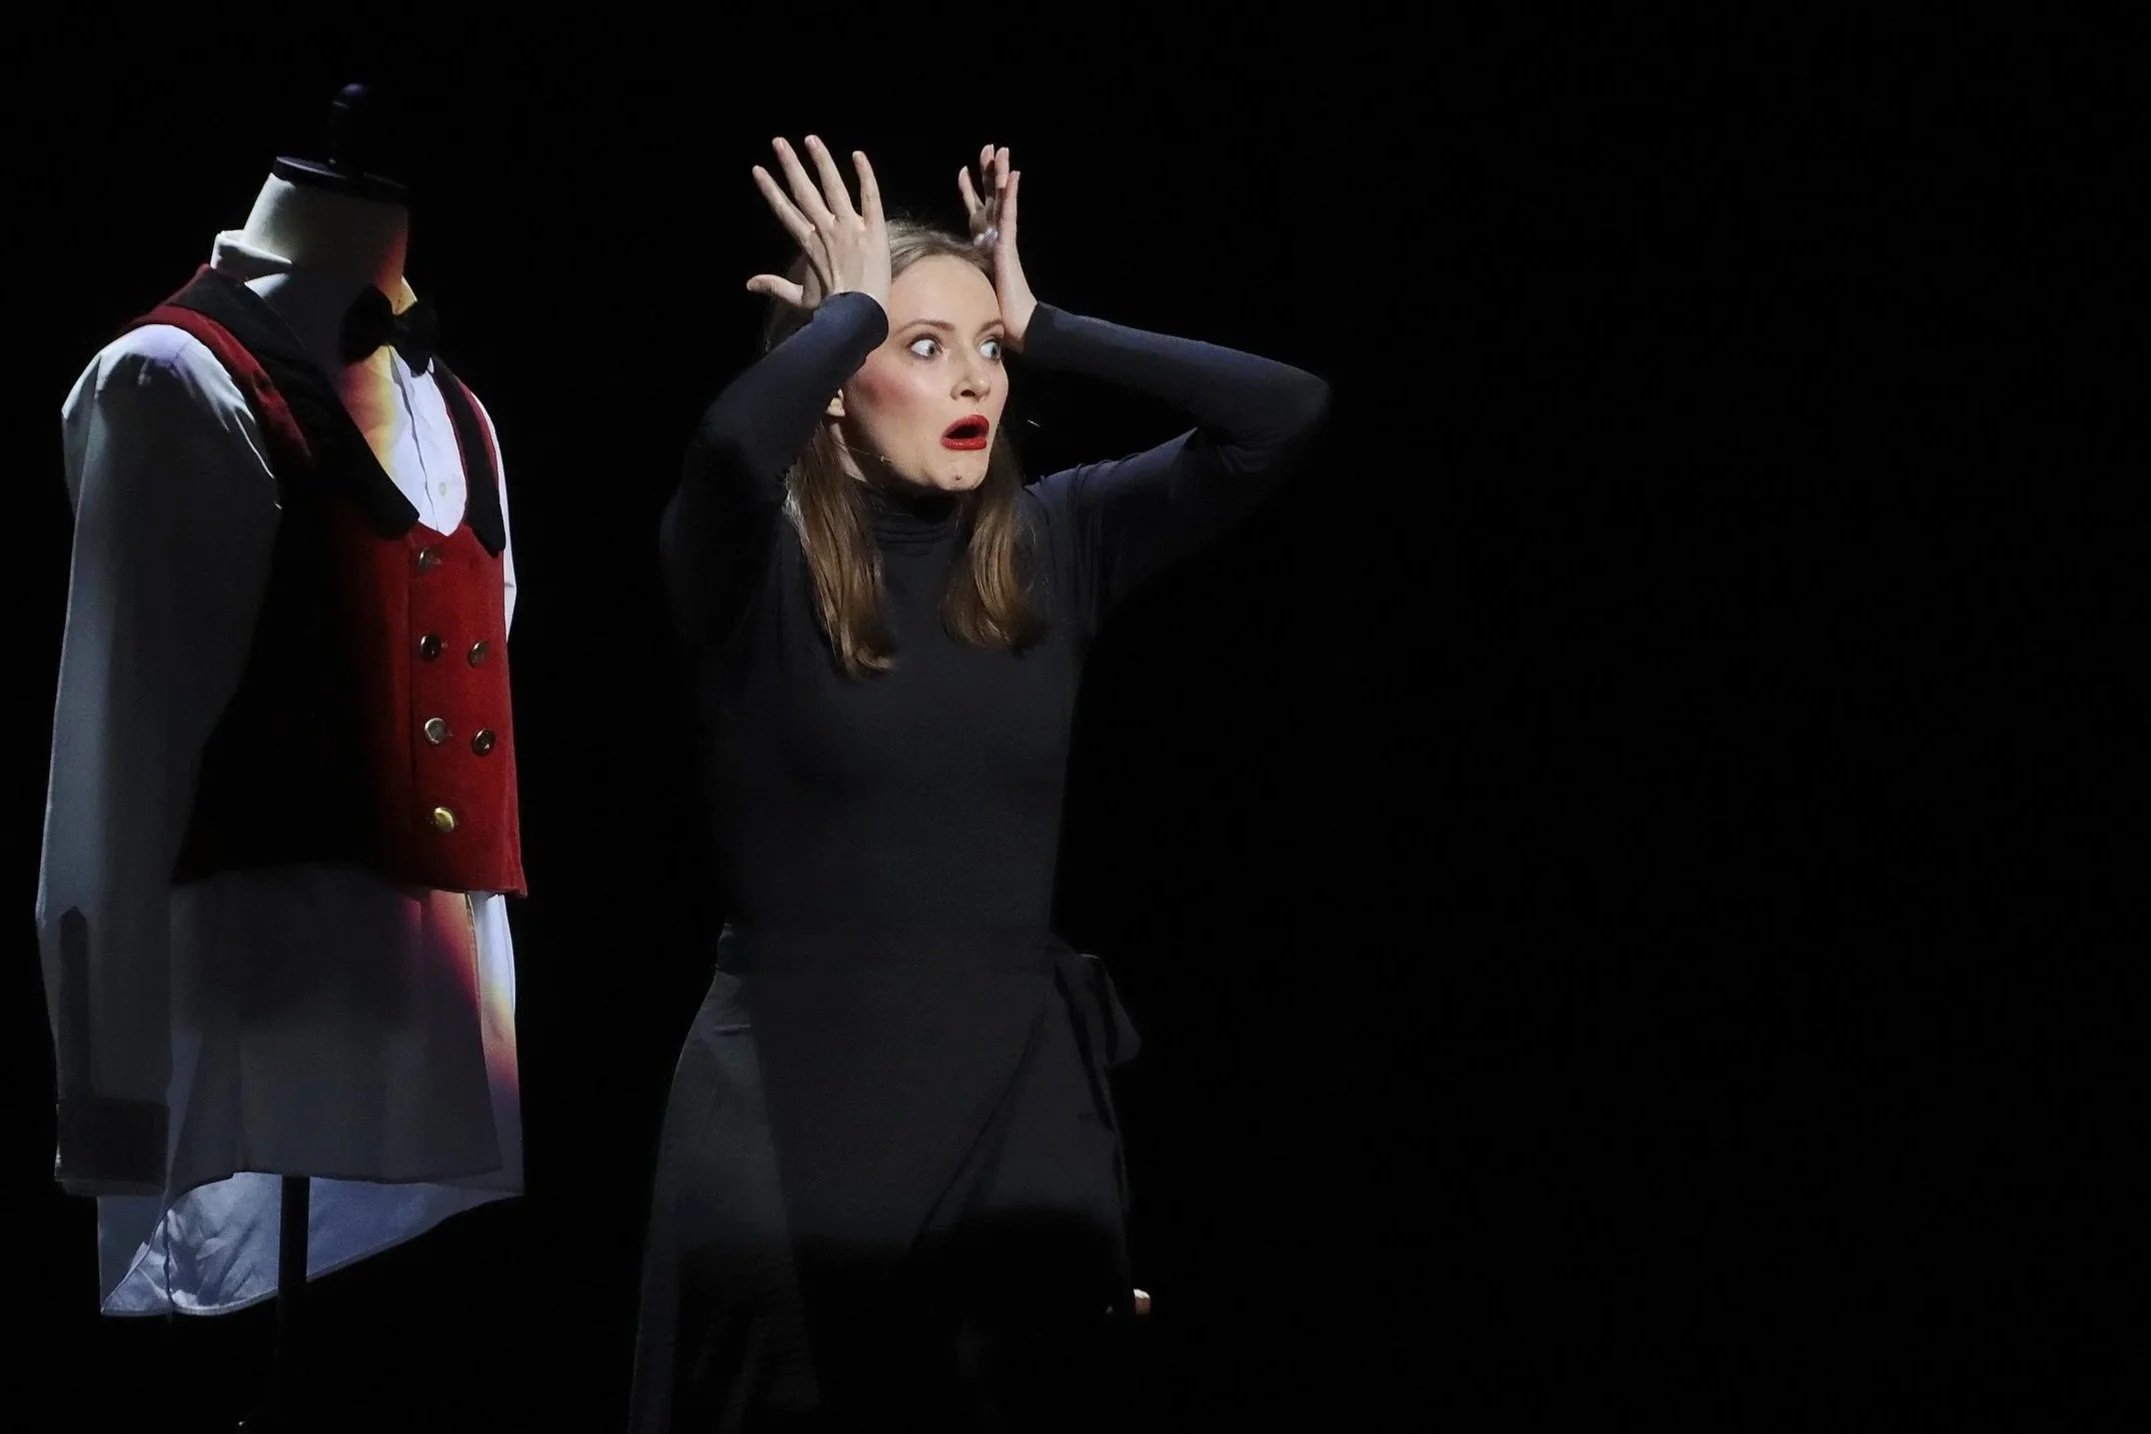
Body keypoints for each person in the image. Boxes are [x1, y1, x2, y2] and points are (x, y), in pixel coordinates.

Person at [628, 135, 1329, 1430]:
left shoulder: (1048, 541)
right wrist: (842, 315)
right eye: (923, 346)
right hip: (794, 1114)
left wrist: (1049, 322)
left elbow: (1282, 412)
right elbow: (727, 453)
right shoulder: (748, 572)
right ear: (833, 384)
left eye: (988, 350)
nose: (975, 380)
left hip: (1014, 1116)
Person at [34, 98, 528, 1379]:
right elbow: (110, 761)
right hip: (248, 1004)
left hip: (418, 1017)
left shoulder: (461, 411)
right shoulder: (171, 377)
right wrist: (110, 1099)